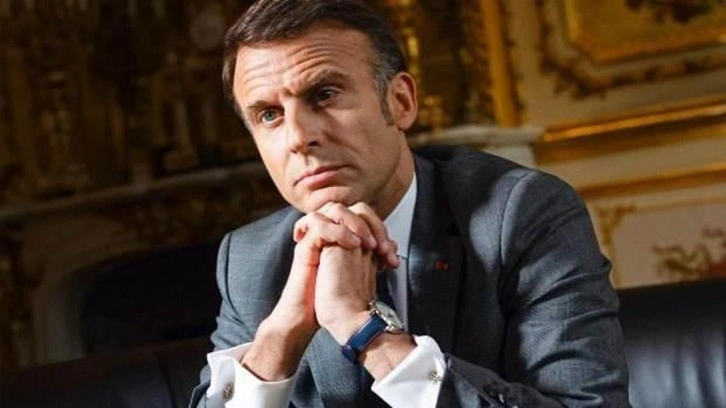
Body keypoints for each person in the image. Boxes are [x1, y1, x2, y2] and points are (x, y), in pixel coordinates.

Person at [190, 0, 629, 406]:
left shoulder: (520, 213)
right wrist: (279, 337)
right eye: (269, 115)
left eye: (324, 95)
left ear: (400, 102)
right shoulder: (251, 259)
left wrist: (365, 330)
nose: (299, 137)